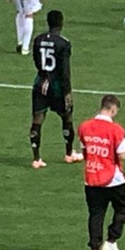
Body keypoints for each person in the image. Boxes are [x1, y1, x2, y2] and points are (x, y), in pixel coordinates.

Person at [79, 95, 125, 250]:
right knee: (122, 209)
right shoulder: (116, 130)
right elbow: (122, 155)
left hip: (91, 177)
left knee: (96, 214)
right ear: (113, 110)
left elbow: (85, 150)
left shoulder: (84, 127)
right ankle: (111, 241)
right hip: (113, 179)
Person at [29, 10, 82, 169]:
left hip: (40, 82)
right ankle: (69, 153)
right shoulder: (63, 43)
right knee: (67, 116)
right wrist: (67, 92)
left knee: (37, 118)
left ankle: (36, 158)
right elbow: (64, 70)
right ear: (61, 23)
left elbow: (36, 60)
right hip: (57, 85)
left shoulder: (38, 39)